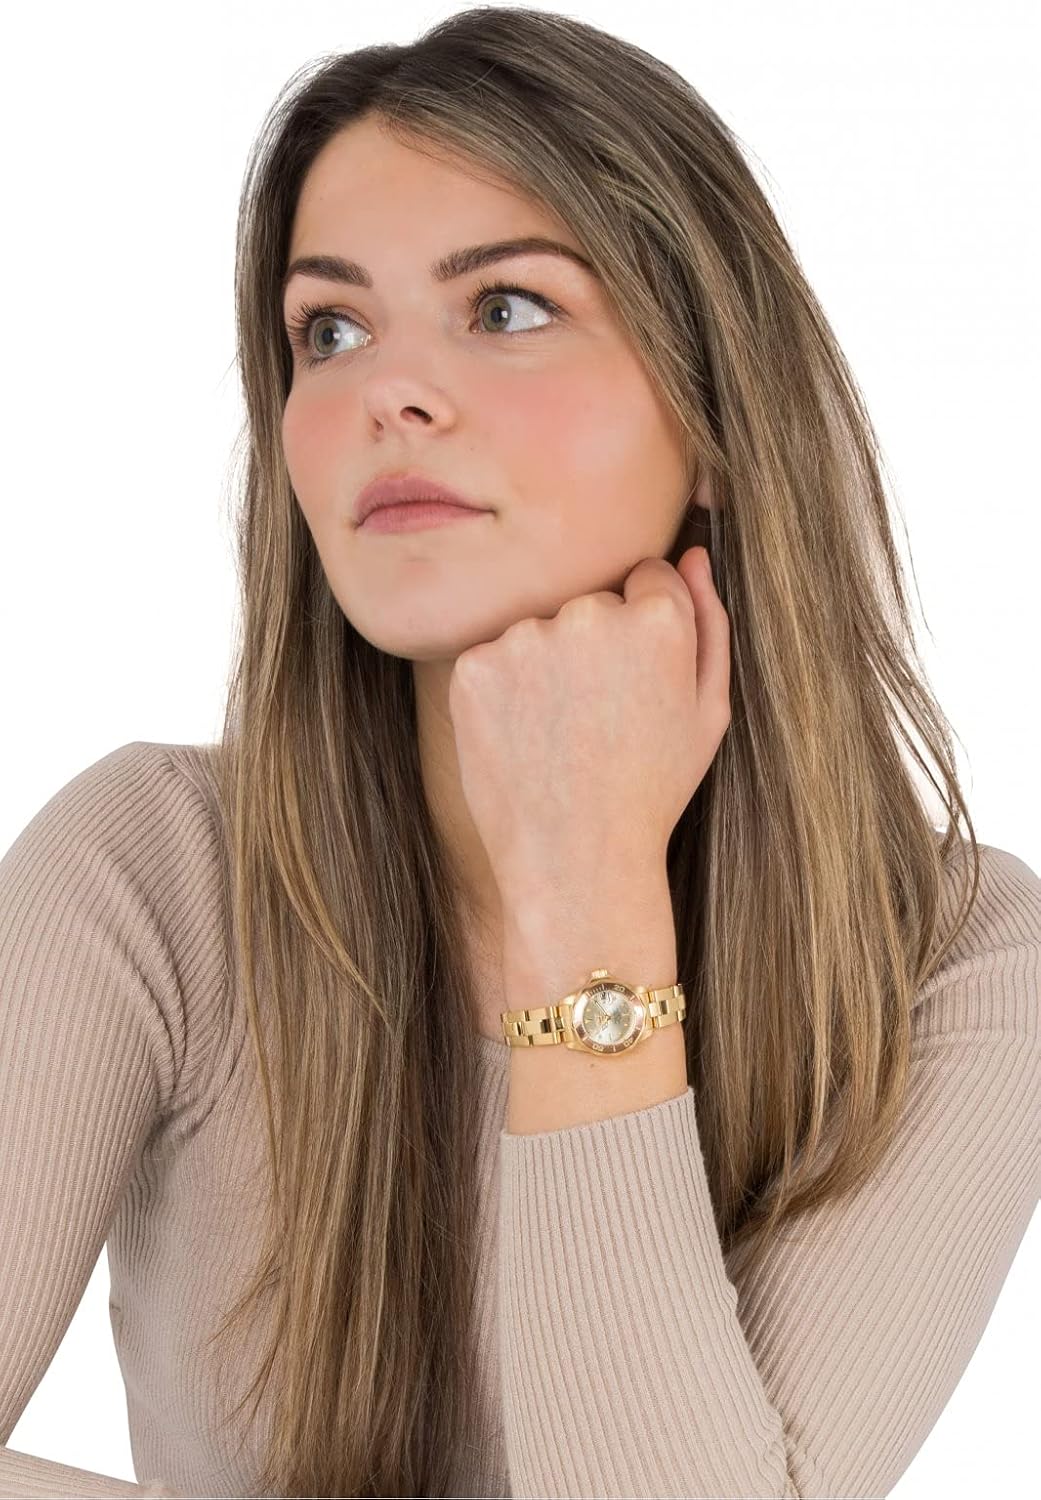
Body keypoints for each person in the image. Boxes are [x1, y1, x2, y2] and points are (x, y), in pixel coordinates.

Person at [1, 8, 1038, 1497]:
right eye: (329, 330)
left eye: (504, 307)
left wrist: (585, 889)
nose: (388, 393)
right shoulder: (151, 869)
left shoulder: (954, 960)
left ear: (716, 412)